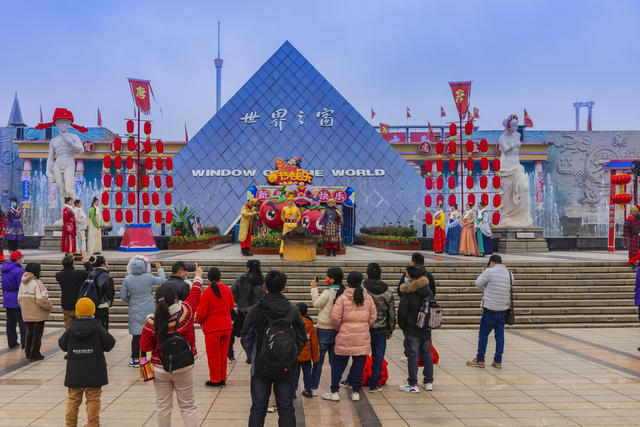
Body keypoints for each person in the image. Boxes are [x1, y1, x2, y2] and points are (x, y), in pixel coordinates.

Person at [241, 270, 307, 427]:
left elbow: (246, 337)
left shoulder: (256, 310)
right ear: (284, 287)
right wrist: (291, 354)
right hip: (286, 366)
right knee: (286, 408)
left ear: (265, 287)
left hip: (260, 366)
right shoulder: (293, 310)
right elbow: (302, 337)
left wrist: (253, 355)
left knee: (258, 408)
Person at [140, 264, 203, 427]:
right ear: (175, 299)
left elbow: (145, 346)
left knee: (163, 407)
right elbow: (195, 295)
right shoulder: (186, 313)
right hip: (185, 366)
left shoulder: (151, 322)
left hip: (160, 369)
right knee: (188, 406)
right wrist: (197, 277)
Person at [59, 297, 116, 427]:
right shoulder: (97, 327)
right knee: (93, 399)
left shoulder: (71, 329)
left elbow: (62, 345)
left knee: (73, 399)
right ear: (92, 310)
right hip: (94, 370)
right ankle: (93, 424)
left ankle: (70, 424)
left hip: (75, 371)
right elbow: (110, 343)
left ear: (77, 311)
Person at [323, 271, 376, 402]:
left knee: (338, 365)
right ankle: (356, 392)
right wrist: (364, 325)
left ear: (348, 282)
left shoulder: (342, 297)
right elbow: (373, 316)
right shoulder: (367, 297)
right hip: (362, 337)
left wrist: (339, 328)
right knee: (358, 367)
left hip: (345, 335)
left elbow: (335, 317)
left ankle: (334, 391)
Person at [467, 255, 512, 369]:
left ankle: (480, 360)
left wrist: (483, 273)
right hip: (503, 310)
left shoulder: (489, 272)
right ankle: (498, 361)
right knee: (500, 336)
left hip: (490, 310)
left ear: (491, 263)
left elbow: (477, 284)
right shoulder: (509, 274)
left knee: (483, 334)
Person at [120, 256, 165, 367]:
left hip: (134, 307)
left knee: (136, 335)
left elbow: (122, 295)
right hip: (148, 307)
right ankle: (149, 357)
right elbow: (162, 280)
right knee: (149, 331)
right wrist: (160, 269)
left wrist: (131, 300)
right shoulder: (148, 277)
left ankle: (136, 359)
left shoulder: (127, 279)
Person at [398, 265, 435, 393]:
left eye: (406, 275)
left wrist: (403, 326)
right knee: (427, 354)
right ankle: (428, 381)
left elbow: (402, 312)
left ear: (412, 278)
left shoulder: (408, 292)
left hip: (412, 327)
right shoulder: (428, 290)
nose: (405, 277)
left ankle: (413, 383)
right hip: (425, 327)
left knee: (412, 355)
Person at [196, 267, 234, 387]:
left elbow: (201, 313)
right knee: (223, 354)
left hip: (212, 329)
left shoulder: (207, 292)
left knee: (213, 356)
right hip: (226, 327)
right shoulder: (227, 289)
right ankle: (222, 378)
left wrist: (199, 321)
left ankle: (215, 379)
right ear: (220, 277)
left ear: (208, 278)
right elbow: (231, 306)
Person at [310, 266, 344, 395]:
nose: (326, 279)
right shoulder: (343, 291)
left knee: (318, 359)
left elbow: (316, 303)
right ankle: (334, 390)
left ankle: (313, 388)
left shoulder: (328, 291)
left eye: (328, 277)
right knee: (335, 362)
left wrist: (314, 288)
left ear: (333, 279)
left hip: (324, 329)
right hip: (337, 329)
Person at [363, 263, 395, 392]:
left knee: (361, 356)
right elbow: (391, 311)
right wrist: (391, 328)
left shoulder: (362, 289)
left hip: (365, 327)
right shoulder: (387, 291)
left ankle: (356, 379)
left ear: (367, 274)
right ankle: (374, 384)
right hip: (381, 329)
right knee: (378, 356)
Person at [230, 259, 265, 362]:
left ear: (248, 268)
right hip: (259, 312)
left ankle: (250, 355)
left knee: (245, 335)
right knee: (258, 335)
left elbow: (232, 293)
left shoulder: (241, 279)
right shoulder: (263, 280)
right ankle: (256, 354)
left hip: (243, 311)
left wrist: (239, 302)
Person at [18, 262, 52, 361]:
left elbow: (19, 298)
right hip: (38, 314)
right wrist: (49, 306)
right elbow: (42, 300)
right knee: (37, 334)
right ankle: (35, 354)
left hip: (27, 313)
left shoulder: (22, 282)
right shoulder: (37, 282)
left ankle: (28, 352)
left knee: (29, 332)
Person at [56, 255, 93, 329]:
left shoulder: (58, 275)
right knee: (79, 327)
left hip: (65, 305)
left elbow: (64, 271)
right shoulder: (78, 274)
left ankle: (69, 340)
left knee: (68, 327)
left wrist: (68, 261)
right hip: (77, 305)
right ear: (73, 263)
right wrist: (86, 263)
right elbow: (91, 273)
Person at [1, 251, 26, 348]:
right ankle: (24, 342)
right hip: (16, 298)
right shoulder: (18, 271)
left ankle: (12, 342)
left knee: (10, 322)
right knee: (22, 322)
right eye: (21, 258)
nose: (22, 259)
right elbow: (21, 285)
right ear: (18, 259)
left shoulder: (4, 270)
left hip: (7, 298)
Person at [82, 256, 115, 330]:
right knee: (102, 328)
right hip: (102, 305)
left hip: (91, 304)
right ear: (103, 264)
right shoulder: (106, 276)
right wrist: (110, 302)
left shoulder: (90, 274)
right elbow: (110, 293)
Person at [294, 302, 319, 398]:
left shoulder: (292, 324)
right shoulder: (310, 326)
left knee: (294, 375)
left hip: (295, 355)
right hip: (307, 357)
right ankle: (308, 390)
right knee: (307, 373)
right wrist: (316, 359)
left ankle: (293, 391)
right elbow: (314, 344)